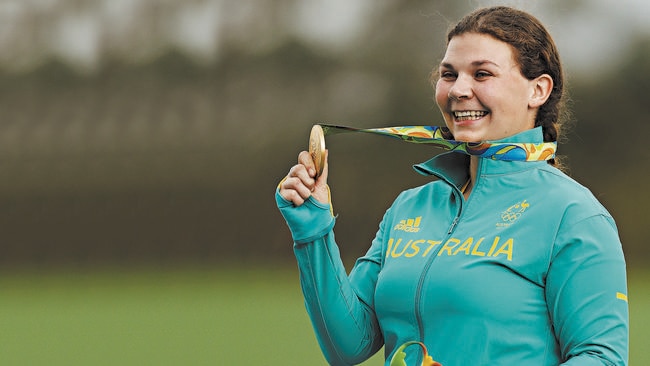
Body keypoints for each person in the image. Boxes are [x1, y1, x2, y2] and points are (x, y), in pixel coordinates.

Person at [275, 6, 628, 366]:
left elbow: (601, 358)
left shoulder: (573, 215)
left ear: (538, 90)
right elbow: (347, 345)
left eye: (482, 74)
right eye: (449, 74)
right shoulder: (410, 208)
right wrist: (313, 229)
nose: (459, 89)